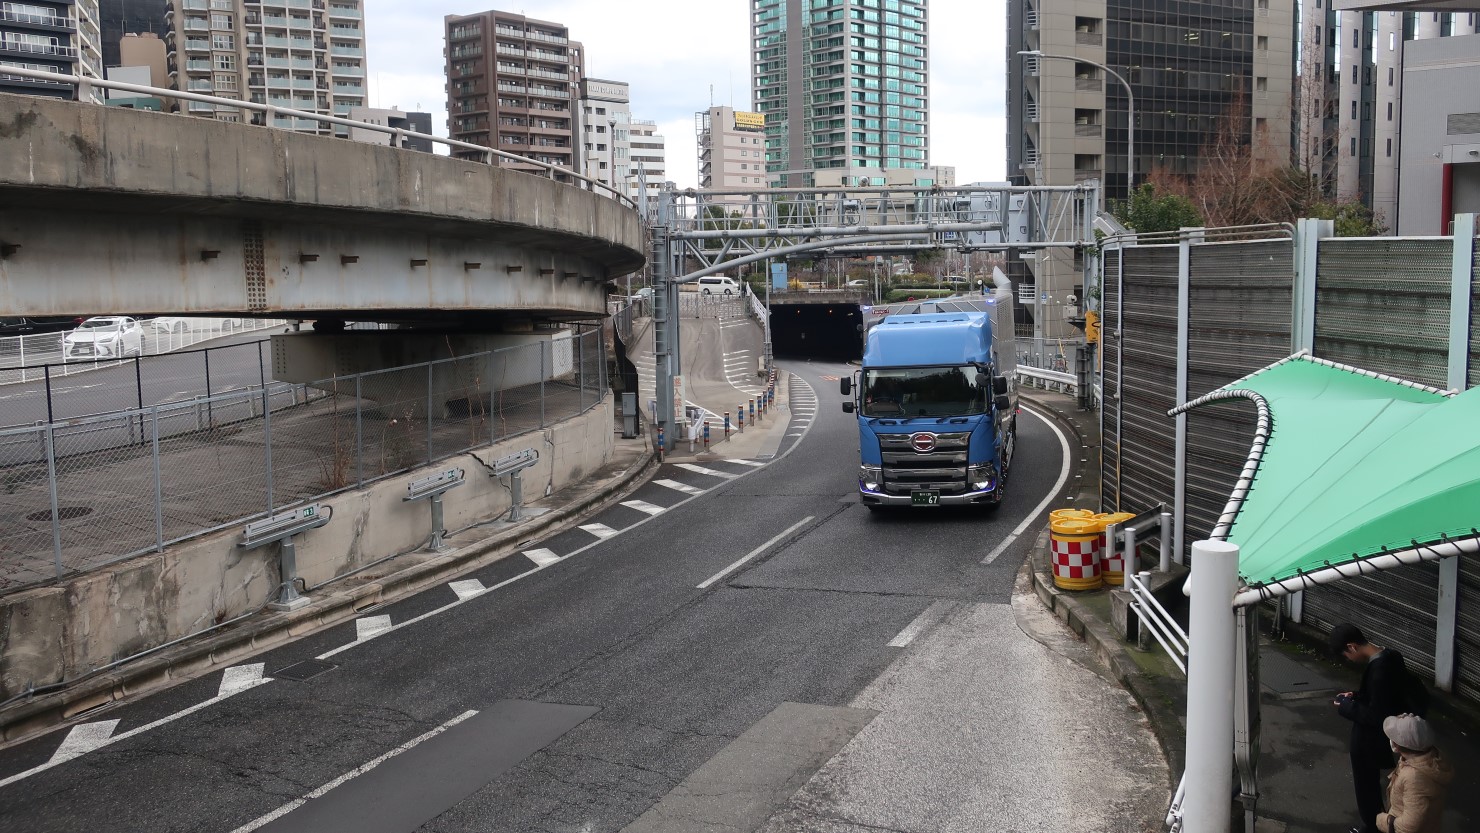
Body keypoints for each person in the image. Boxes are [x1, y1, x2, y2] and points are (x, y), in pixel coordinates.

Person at [1332, 623, 1425, 833]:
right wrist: (1356, 696)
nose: (1348, 659)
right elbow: (1384, 697)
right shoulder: (1391, 656)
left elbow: (1376, 715)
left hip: (1370, 741)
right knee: (1371, 786)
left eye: (1346, 654)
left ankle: (1372, 827)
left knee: (1367, 788)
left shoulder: (1378, 671)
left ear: (1352, 647)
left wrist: (1347, 707)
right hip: (1381, 736)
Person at [1375, 713, 1452, 833]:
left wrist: (1384, 821)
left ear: (1397, 745)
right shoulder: (1430, 758)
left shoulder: (1414, 777)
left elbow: (1409, 826)